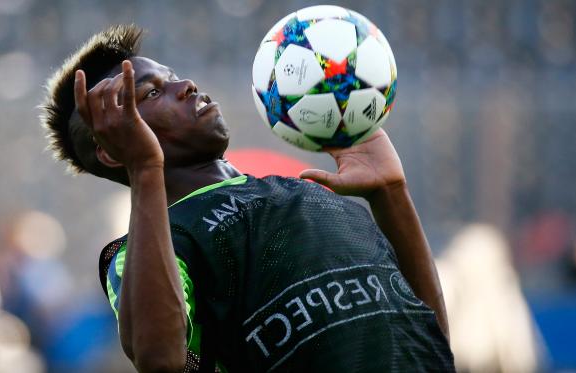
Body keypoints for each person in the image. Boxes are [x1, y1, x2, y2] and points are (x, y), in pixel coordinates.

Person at [40, 24, 454, 372]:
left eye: (174, 77)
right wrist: (145, 168)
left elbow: (426, 336)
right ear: (113, 148)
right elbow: (161, 359)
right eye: (151, 93)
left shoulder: (309, 192)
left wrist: (391, 195)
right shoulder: (160, 245)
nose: (186, 86)